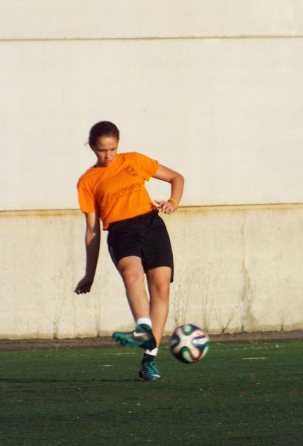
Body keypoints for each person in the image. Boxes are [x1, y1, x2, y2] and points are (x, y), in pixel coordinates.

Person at [74, 121, 184, 382]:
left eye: (112, 149)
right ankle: (143, 327)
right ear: (92, 147)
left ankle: (149, 359)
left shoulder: (134, 160)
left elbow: (176, 178)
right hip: (121, 232)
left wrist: (173, 202)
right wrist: (89, 274)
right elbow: (92, 230)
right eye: (102, 150)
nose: (108, 155)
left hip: (151, 225)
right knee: (132, 275)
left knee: (161, 289)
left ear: (118, 144)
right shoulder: (88, 181)